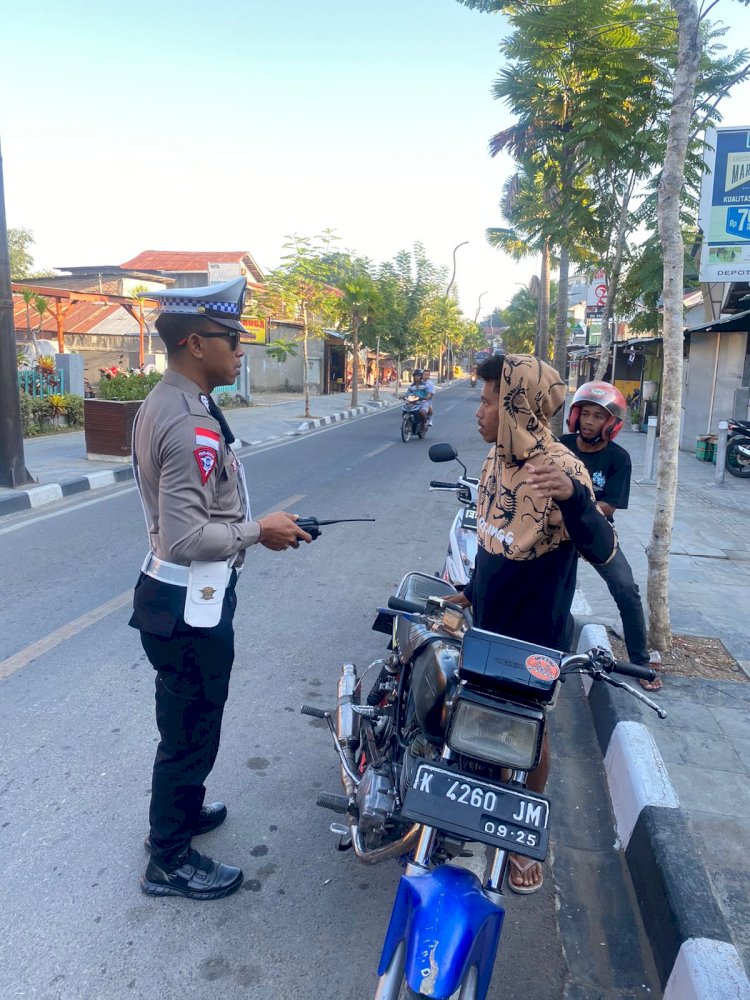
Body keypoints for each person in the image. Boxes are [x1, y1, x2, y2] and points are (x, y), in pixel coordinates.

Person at [129, 276, 312, 901]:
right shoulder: (187, 423)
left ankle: (178, 815)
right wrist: (258, 531)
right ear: (192, 343)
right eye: (230, 339)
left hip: (180, 597)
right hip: (187, 601)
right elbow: (184, 538)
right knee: (191, 728)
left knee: (186, 719)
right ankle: (168, 859)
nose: (241, 350)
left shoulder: (179, 400)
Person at [448, 354, 617, 894]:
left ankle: (520, 831)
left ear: (517, 405)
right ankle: (480, 810)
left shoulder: (563, 469)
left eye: (488, 400)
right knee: (475, 718)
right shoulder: (495, 462)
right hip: (489, 621)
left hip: (535, 635)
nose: (479, 411)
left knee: (528, 734)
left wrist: (575, 503)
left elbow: (601, 547)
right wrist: (469, 593)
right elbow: (491, 545)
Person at [561, 381, 661, 691]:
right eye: (586, 414)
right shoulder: (559, 446)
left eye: (598, 417)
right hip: (555, 529)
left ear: (611, 424)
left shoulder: (619, 458)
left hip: (595, 530)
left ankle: (640, 662)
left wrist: (580, 511)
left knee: (625, 588)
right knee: (544, 585)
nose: (590, 422)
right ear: (576, 415)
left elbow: (608, 505)